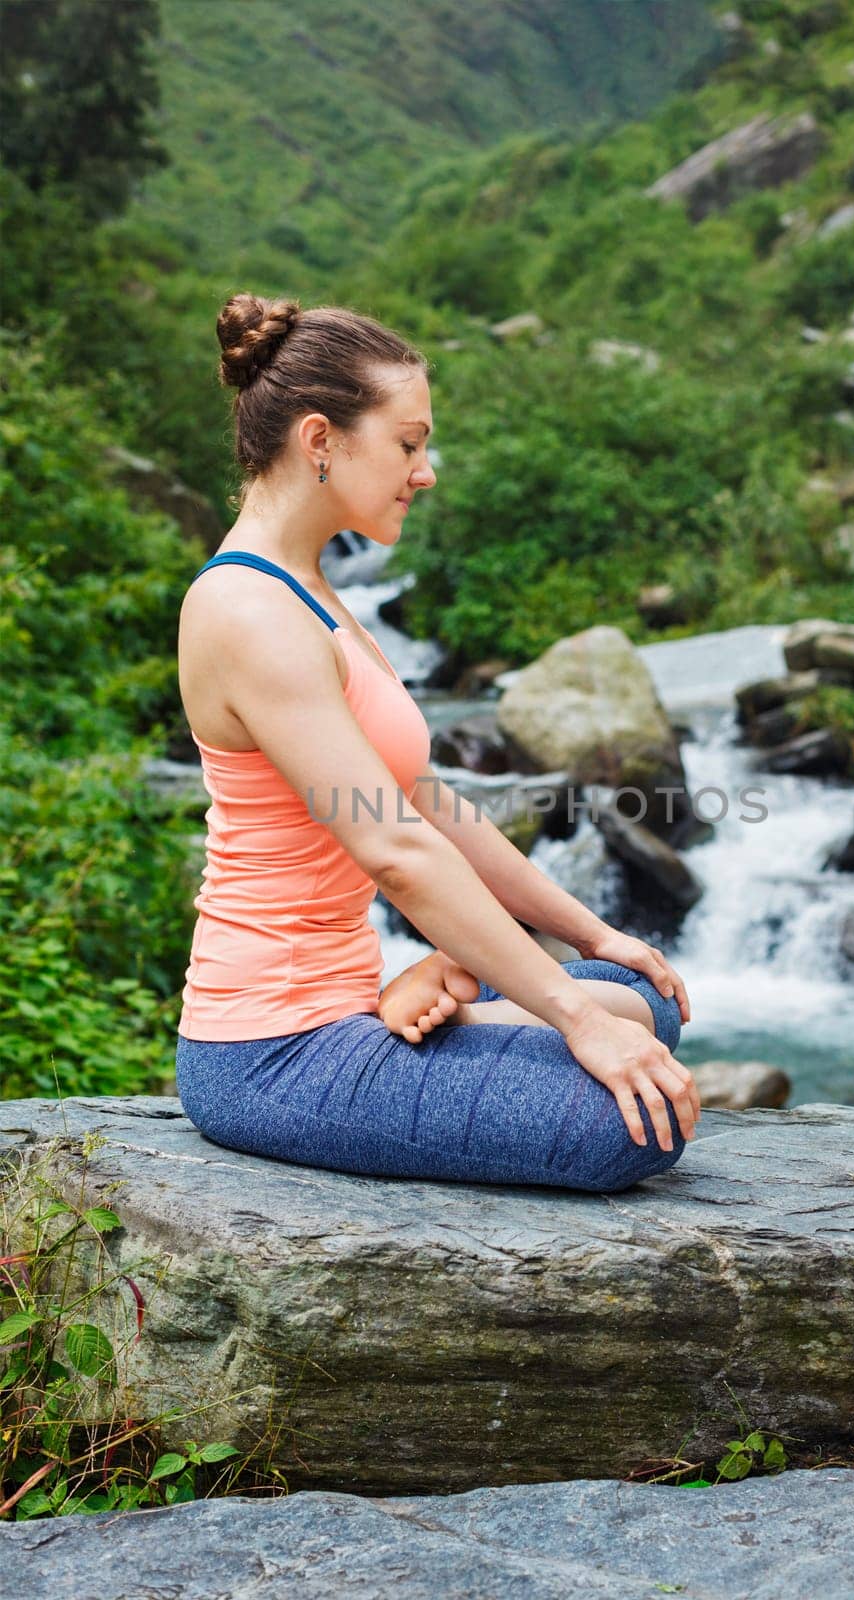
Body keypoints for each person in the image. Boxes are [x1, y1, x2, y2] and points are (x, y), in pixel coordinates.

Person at [174, 292, 701, 1193]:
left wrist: (590, 933)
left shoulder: (315, 591)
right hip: (272, 1051)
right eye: (408, 444)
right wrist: (573, 1017)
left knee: (644, 998)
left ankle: (424, 996)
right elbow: (394, 847)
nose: (423, 472)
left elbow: (425, 799)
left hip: (343, 1007)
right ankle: (430, 1002)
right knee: (632, 1126)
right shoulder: (246, 610)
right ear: (320, 441)